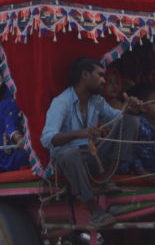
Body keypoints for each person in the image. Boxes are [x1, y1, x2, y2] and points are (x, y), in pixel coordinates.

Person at [41, 57, 140, 229]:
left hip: (93, 155)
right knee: (69, 154)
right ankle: (95, 211)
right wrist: (79, 133)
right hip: (69, 160)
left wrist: (129, 109)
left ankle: (107, 179)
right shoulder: (61, 102)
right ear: (85, 75)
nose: (103, 80)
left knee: (130, 122)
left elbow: (117, 121)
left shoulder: (97, 101)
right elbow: (47, 139)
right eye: (100, 75)